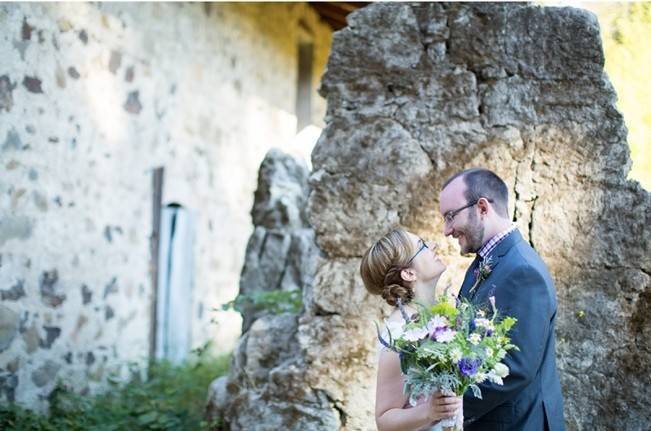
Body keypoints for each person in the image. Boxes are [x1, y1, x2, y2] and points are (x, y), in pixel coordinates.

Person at [439, 168, 565, 430]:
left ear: (482, 207)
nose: (446, 230)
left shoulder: (523, 271)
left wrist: (445, 408)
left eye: (450, 216)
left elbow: (515, 368)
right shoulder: (483, 263)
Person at [360, 228, 462, 431]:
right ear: (408, 273)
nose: (433, 245)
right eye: (423, 245)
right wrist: (429, 412)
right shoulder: (399, 336)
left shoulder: (443, 314)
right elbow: (384, 420)